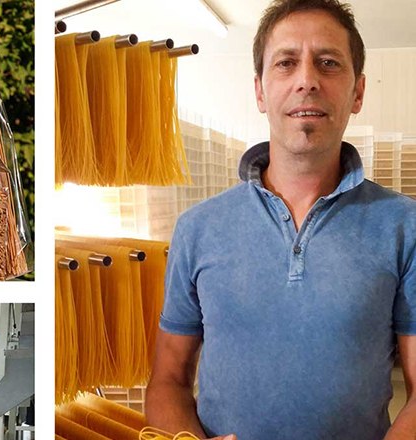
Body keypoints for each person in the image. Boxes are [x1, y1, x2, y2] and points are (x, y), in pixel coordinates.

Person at [144, 0, 416, 439]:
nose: (307, 80)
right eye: (286, 63)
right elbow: (167, 381)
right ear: (260, 91)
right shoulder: (197, 229)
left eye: (328, 63)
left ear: (358, 92)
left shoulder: (404, 227)